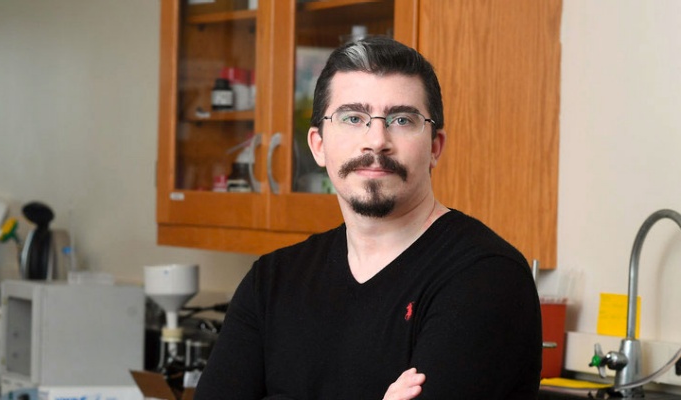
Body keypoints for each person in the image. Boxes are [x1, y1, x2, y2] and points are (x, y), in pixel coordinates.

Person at [195, 36, 541, 400]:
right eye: (353, 118)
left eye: (402, 119)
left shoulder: (486, 278)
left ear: (435, 147)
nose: (376, 140)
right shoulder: (271, 281)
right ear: (318, 145)